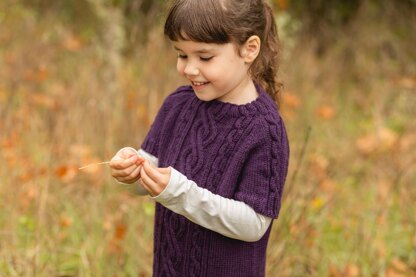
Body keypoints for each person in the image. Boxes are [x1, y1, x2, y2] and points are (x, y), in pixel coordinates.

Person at [109, 0, 289, 276]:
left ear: (249, 49)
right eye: (182, 55)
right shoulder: (177, 105)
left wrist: (181, 194)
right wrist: (132, 170)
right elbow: (151, 179)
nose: (189, 69)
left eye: (204, 57)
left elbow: (253, 225)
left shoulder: (264, 128)